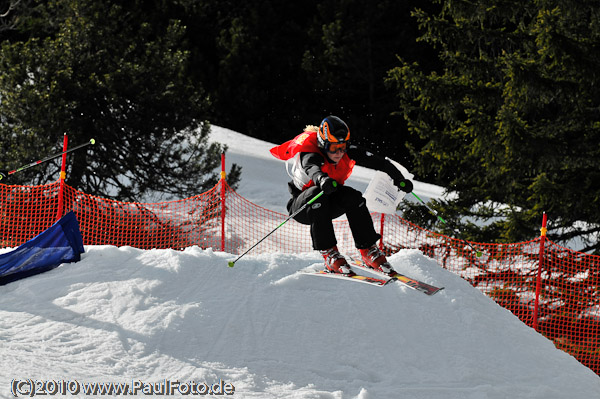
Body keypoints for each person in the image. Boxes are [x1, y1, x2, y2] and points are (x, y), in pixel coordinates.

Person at [270, 115, 413, 276]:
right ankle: (329, 253)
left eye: (343, 146)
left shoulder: (346, 152)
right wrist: (323, 180)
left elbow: (381, 163)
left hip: (328, 202)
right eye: (333, 148)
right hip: (303, 207)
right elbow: (312, 169)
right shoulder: (311, 154)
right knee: (317, 193)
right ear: (323, 145)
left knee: (354, 198)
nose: (339, 152)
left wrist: (399, 179)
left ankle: (368, 250)